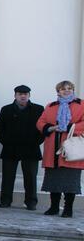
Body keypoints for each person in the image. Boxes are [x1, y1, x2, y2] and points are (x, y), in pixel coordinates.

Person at [37, 81, 84, 218]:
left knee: (70, 181)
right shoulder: (51, 106)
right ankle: (54, 207)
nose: (67, 91)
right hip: (53, 148)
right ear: (58, 91)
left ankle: (68, 208)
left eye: (69, 88)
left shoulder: (81, 104)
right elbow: (40, 122)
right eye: (63, 89)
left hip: (72, 147)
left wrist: (70, 127)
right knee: (54, 180)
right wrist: (51, 128)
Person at [0, 85, 44, 210]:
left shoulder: (38, 109)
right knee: (7, 177)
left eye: (25, 94)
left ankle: (31, 202)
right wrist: (6, 141)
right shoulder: (6, 109)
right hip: (11, 148)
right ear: (15, 95)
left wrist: (36, 142)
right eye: (20, 94)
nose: (23, 96)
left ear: (29, 95)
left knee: (31, 178)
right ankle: (5, 200)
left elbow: (43, 128)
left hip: (31, 148)